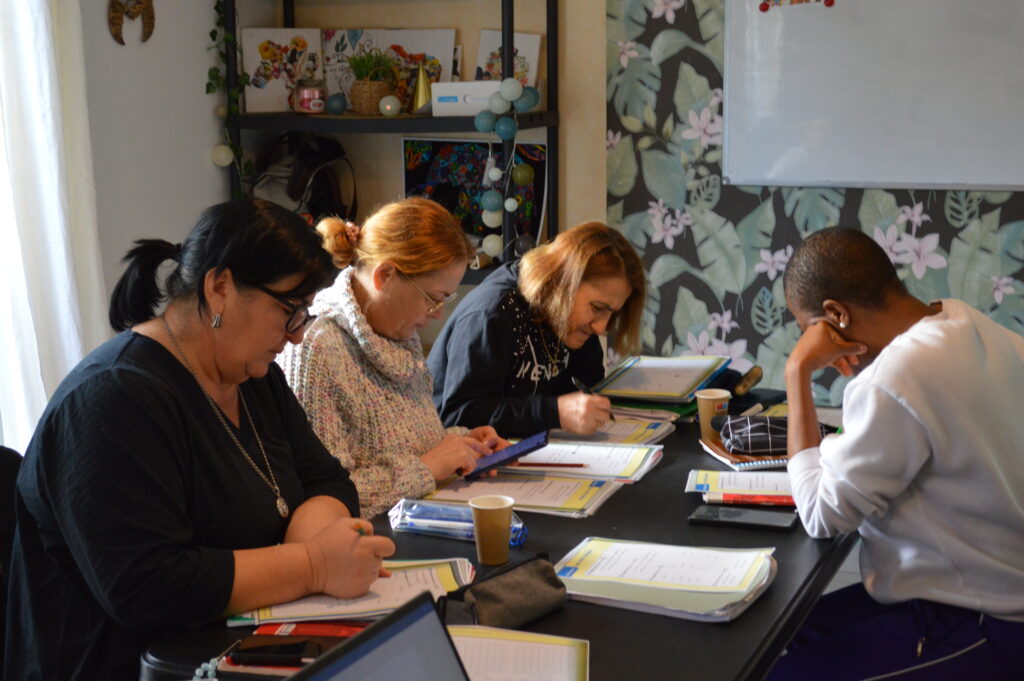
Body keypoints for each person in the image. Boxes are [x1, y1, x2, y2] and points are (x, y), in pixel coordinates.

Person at [3, 199, 396, 681]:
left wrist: (312, 552)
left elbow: (328, 481)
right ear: (220, 287)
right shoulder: (112, 399)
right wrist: (311, 565)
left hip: (241, 650)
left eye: (304, 315)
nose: (296, 337)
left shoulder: (255, 377)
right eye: (288, 311)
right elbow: (148, 589)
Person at [768, 227, 1024, 680]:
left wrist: (797, 370)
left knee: (778, 673)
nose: (809, 342)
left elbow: (820, 515)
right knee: (784, 633)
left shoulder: (894, 379)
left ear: (836, 314)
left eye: (808, 328)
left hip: (988, 617)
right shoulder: (965, 322)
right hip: (972, 584)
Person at [277, 197, 506, 519]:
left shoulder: (394, 331)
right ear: (384, 275)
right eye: (433, 298)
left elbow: (407, 443)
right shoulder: (316, 348)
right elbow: (322, 499)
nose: (438, 314)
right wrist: (427, 468)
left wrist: (464, 443)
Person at [428, 221, 647, 438]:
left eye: (612, 313)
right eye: (597, 308)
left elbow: (588, 386)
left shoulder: (574, 323)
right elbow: (459, 418)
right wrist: (554, 413)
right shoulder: (492, 314)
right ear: (563, 282)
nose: (601, 327)